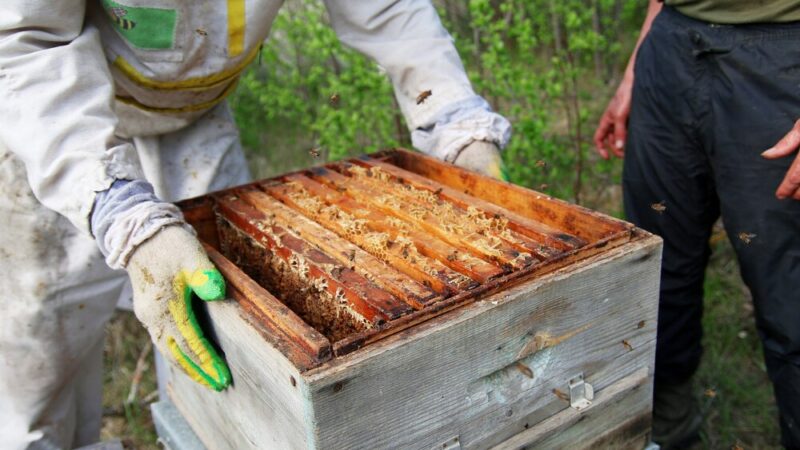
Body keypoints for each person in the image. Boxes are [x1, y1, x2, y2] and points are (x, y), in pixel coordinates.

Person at [0, 1, 511, 447]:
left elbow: (390, 8)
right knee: (39, 366)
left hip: (195, 125)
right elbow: (25, 38)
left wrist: (455, 120)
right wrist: (118, 210)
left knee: (228, 331)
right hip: (56, 131)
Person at [594, 1, 800, 448]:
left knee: (788, 285)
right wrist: (637, 67)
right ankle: (668, 423)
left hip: (784, 54)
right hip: (668, 48)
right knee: (659, 262)